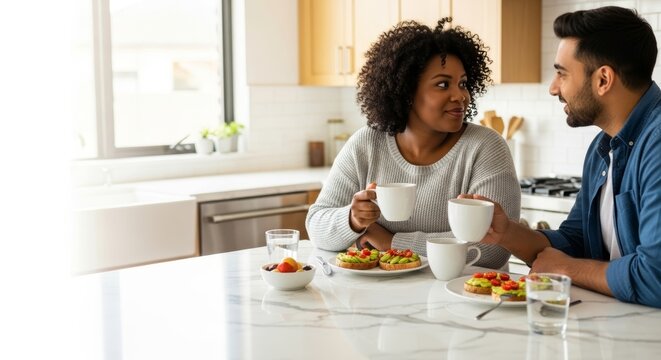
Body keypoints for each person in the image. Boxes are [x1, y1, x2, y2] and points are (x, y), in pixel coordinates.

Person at [464, 6, 661, 307]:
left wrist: (565, 268)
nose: (554, 88)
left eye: (561, 73)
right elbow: (575, 241)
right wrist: (506, 233)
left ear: (603, 80)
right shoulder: (603, 148)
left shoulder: (656, 145)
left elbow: (655, 277)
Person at [305, 18, 521, 269]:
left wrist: (392, 242)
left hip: (462, 300)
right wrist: (352, 220)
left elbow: (493, 248)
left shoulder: (485, 147)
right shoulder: (367, 143)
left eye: (462, 83)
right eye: (443, 84)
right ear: (406, 91)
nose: (460, 95)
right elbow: (316, 224)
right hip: (379, 301)